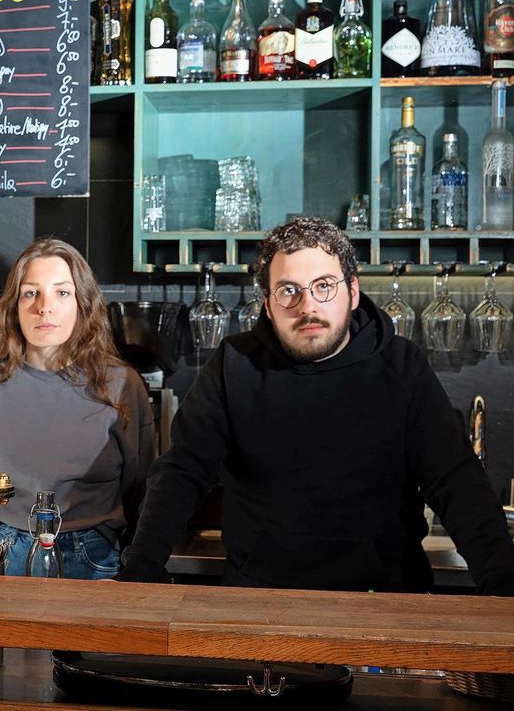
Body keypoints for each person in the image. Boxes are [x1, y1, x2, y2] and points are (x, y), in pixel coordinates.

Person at [119, 216, 514, 595]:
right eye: (289, 290)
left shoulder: (401, 365)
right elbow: (182, 473)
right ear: (269, 305)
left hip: (384, 596)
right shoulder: (234, 363)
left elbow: (455, 480)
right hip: (262, 600)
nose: (308, 306)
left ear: (353, 291)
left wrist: (500, 580)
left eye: (324, 286)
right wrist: (141, 567)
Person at [0, 238, 155, 580]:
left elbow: (141, 484)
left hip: (90, 553)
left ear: (83, 304)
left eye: (62, 293)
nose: (44, 307)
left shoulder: (121, 385)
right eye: (30, 293)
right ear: (14, 307)